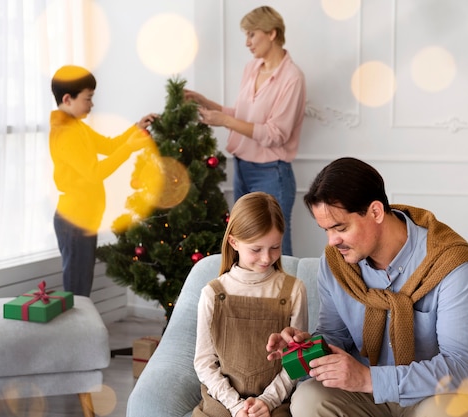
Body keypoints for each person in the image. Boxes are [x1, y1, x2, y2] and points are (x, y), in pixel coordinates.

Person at [266, 157, 468, 417]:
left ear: (376, 212)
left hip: (430, 394)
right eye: (325, 230)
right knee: (308, 399)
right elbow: (336, 336)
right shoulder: (336, 263)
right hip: (363, 395)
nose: (332, 241)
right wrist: (304, 347)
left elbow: (461, 367)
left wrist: (369, 379)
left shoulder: (448, 262)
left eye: (340, 227)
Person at [184, 5, 307, 256]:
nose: (247, 43)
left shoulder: (292, 77)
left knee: (276, 251)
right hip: (242, 168)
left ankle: (288, 297)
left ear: (272, 34)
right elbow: (243, 116)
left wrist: (224, 121)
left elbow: (276, 134)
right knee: (246, 247)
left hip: (272, 173)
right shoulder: (252, 68)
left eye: (252, 34)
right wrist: (205, 101)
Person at [193, 191, 308, 417]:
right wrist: (236, 407)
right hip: (221, 401)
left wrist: (267, 400)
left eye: (275, 247)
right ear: (234, 242)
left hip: (275, 402)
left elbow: (297, 360)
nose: (267, 258)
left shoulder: (294, 290)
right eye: (256, 249)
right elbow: (204, 362)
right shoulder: (213, 294)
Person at [49, 65, 158, 296]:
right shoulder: (65, 133)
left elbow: (108, 146)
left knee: (80, 284)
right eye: (88, 99)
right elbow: (95, 172)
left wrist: (135, 129)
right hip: (74, 220)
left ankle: (80, 331)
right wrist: (129, 148)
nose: (92, 104)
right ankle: (78, 333)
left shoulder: (76, 127)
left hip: (83, 217)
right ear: (68, 99)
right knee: (77, 290)